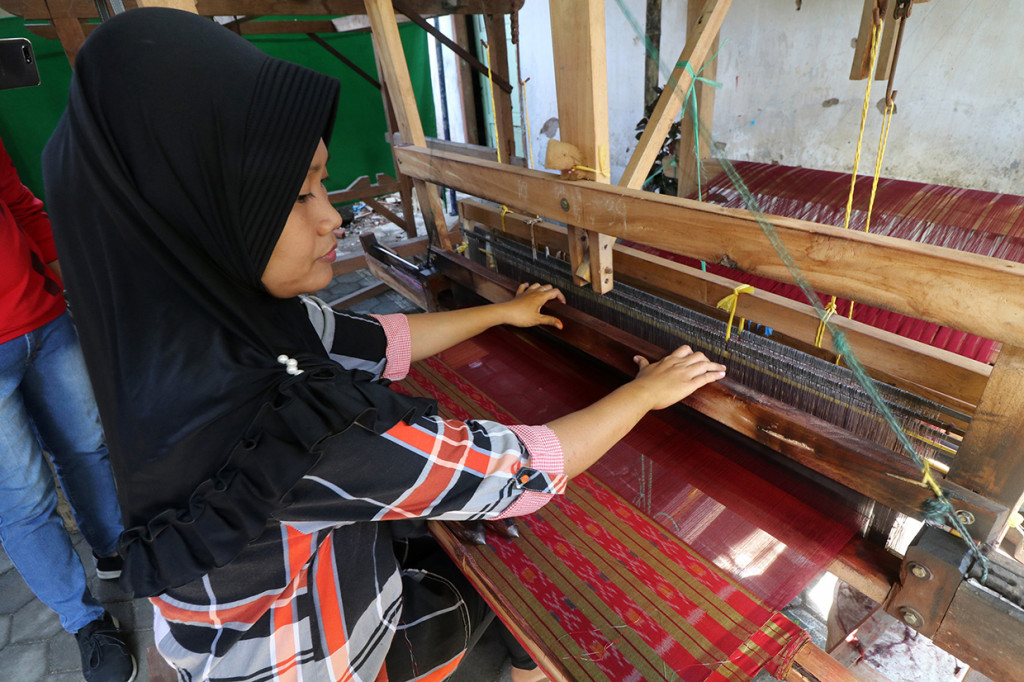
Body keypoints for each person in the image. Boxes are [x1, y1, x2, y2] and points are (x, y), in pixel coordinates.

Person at [42, 8, 726, 682]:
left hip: (212, 633)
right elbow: (520, 473)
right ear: (204, 204)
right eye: (299, 193)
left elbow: (378, 339)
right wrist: (645, 393)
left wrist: (499, 317)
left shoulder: (187, 334)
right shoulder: (294, 430)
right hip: (305, 661)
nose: (331, 216)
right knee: (511, 559)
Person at [0, 135, 136, 682]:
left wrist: (76, 283)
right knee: (24, 500)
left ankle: (116, 550)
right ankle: (85, 621)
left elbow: (16, 201)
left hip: (44, 321)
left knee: (87, 446)